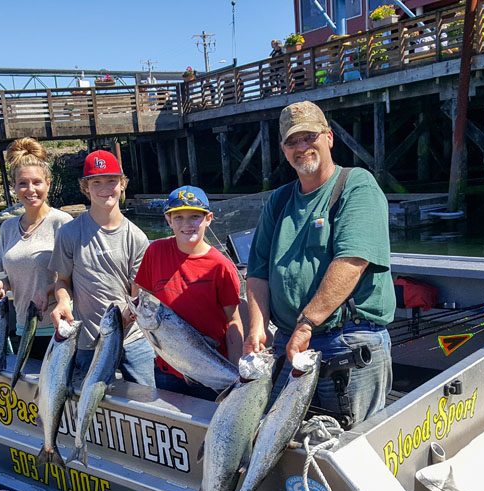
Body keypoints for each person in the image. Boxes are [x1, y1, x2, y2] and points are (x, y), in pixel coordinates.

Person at [243, 100, 395, 426]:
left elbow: (352, 261)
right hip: (288, 342)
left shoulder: (356, 185)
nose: (302, 147)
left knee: (353, 447)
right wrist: (256, 329)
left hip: (348, 339)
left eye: (309, 136)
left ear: (328, 137)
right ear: (283, 150)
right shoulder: (279, 200)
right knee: (276, 437)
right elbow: (256, 272)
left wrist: (307, 323)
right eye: (292, 141)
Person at [48, 149, 156, 387]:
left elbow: (137, 290)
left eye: (112, 181)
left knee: (148, 405)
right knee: (92, 404)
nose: (105, 188)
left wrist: (129, 315)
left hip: (133, 339)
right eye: (96, 182)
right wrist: (63, 302)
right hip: (88, 340)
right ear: (85, 187)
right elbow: (63, 280)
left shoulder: (136, 237)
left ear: (123, 184)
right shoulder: (69, 233)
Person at [134, 186, 243, 400]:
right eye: (179, 217)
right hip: (167, 369)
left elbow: (234, 320)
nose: (187, 224)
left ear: (208, 218)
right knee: (170, 428)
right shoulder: (155, 252)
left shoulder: (221, 266)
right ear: (168, 220)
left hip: (210, 370)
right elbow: (141, 295)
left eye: (195, 217)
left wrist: (237, 373)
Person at [0, 138, 72, 357]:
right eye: (23, 183)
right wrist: (2, 284)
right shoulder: (7, 228)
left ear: (48, 184)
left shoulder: (62, 223)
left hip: (57, 329)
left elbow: (77, 277)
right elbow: (16, 274)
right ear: (14, 187)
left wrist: (48, 290)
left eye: (37, 182)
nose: (30, 189)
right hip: (22, 327)